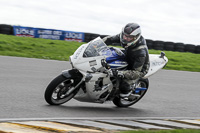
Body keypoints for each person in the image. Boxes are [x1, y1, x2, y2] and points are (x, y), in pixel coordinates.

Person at [103, 23, 150, 97]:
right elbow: (109, 39)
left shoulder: (140, 52)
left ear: (135, 37)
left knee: (124, 85)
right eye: (125, 35)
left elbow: (136, 72)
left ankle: (127, 92)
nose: (125, 38)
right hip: (128, 56)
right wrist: (95, 44)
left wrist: (120, 73)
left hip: (138, 68)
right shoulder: (123, 37)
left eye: (129, 37)